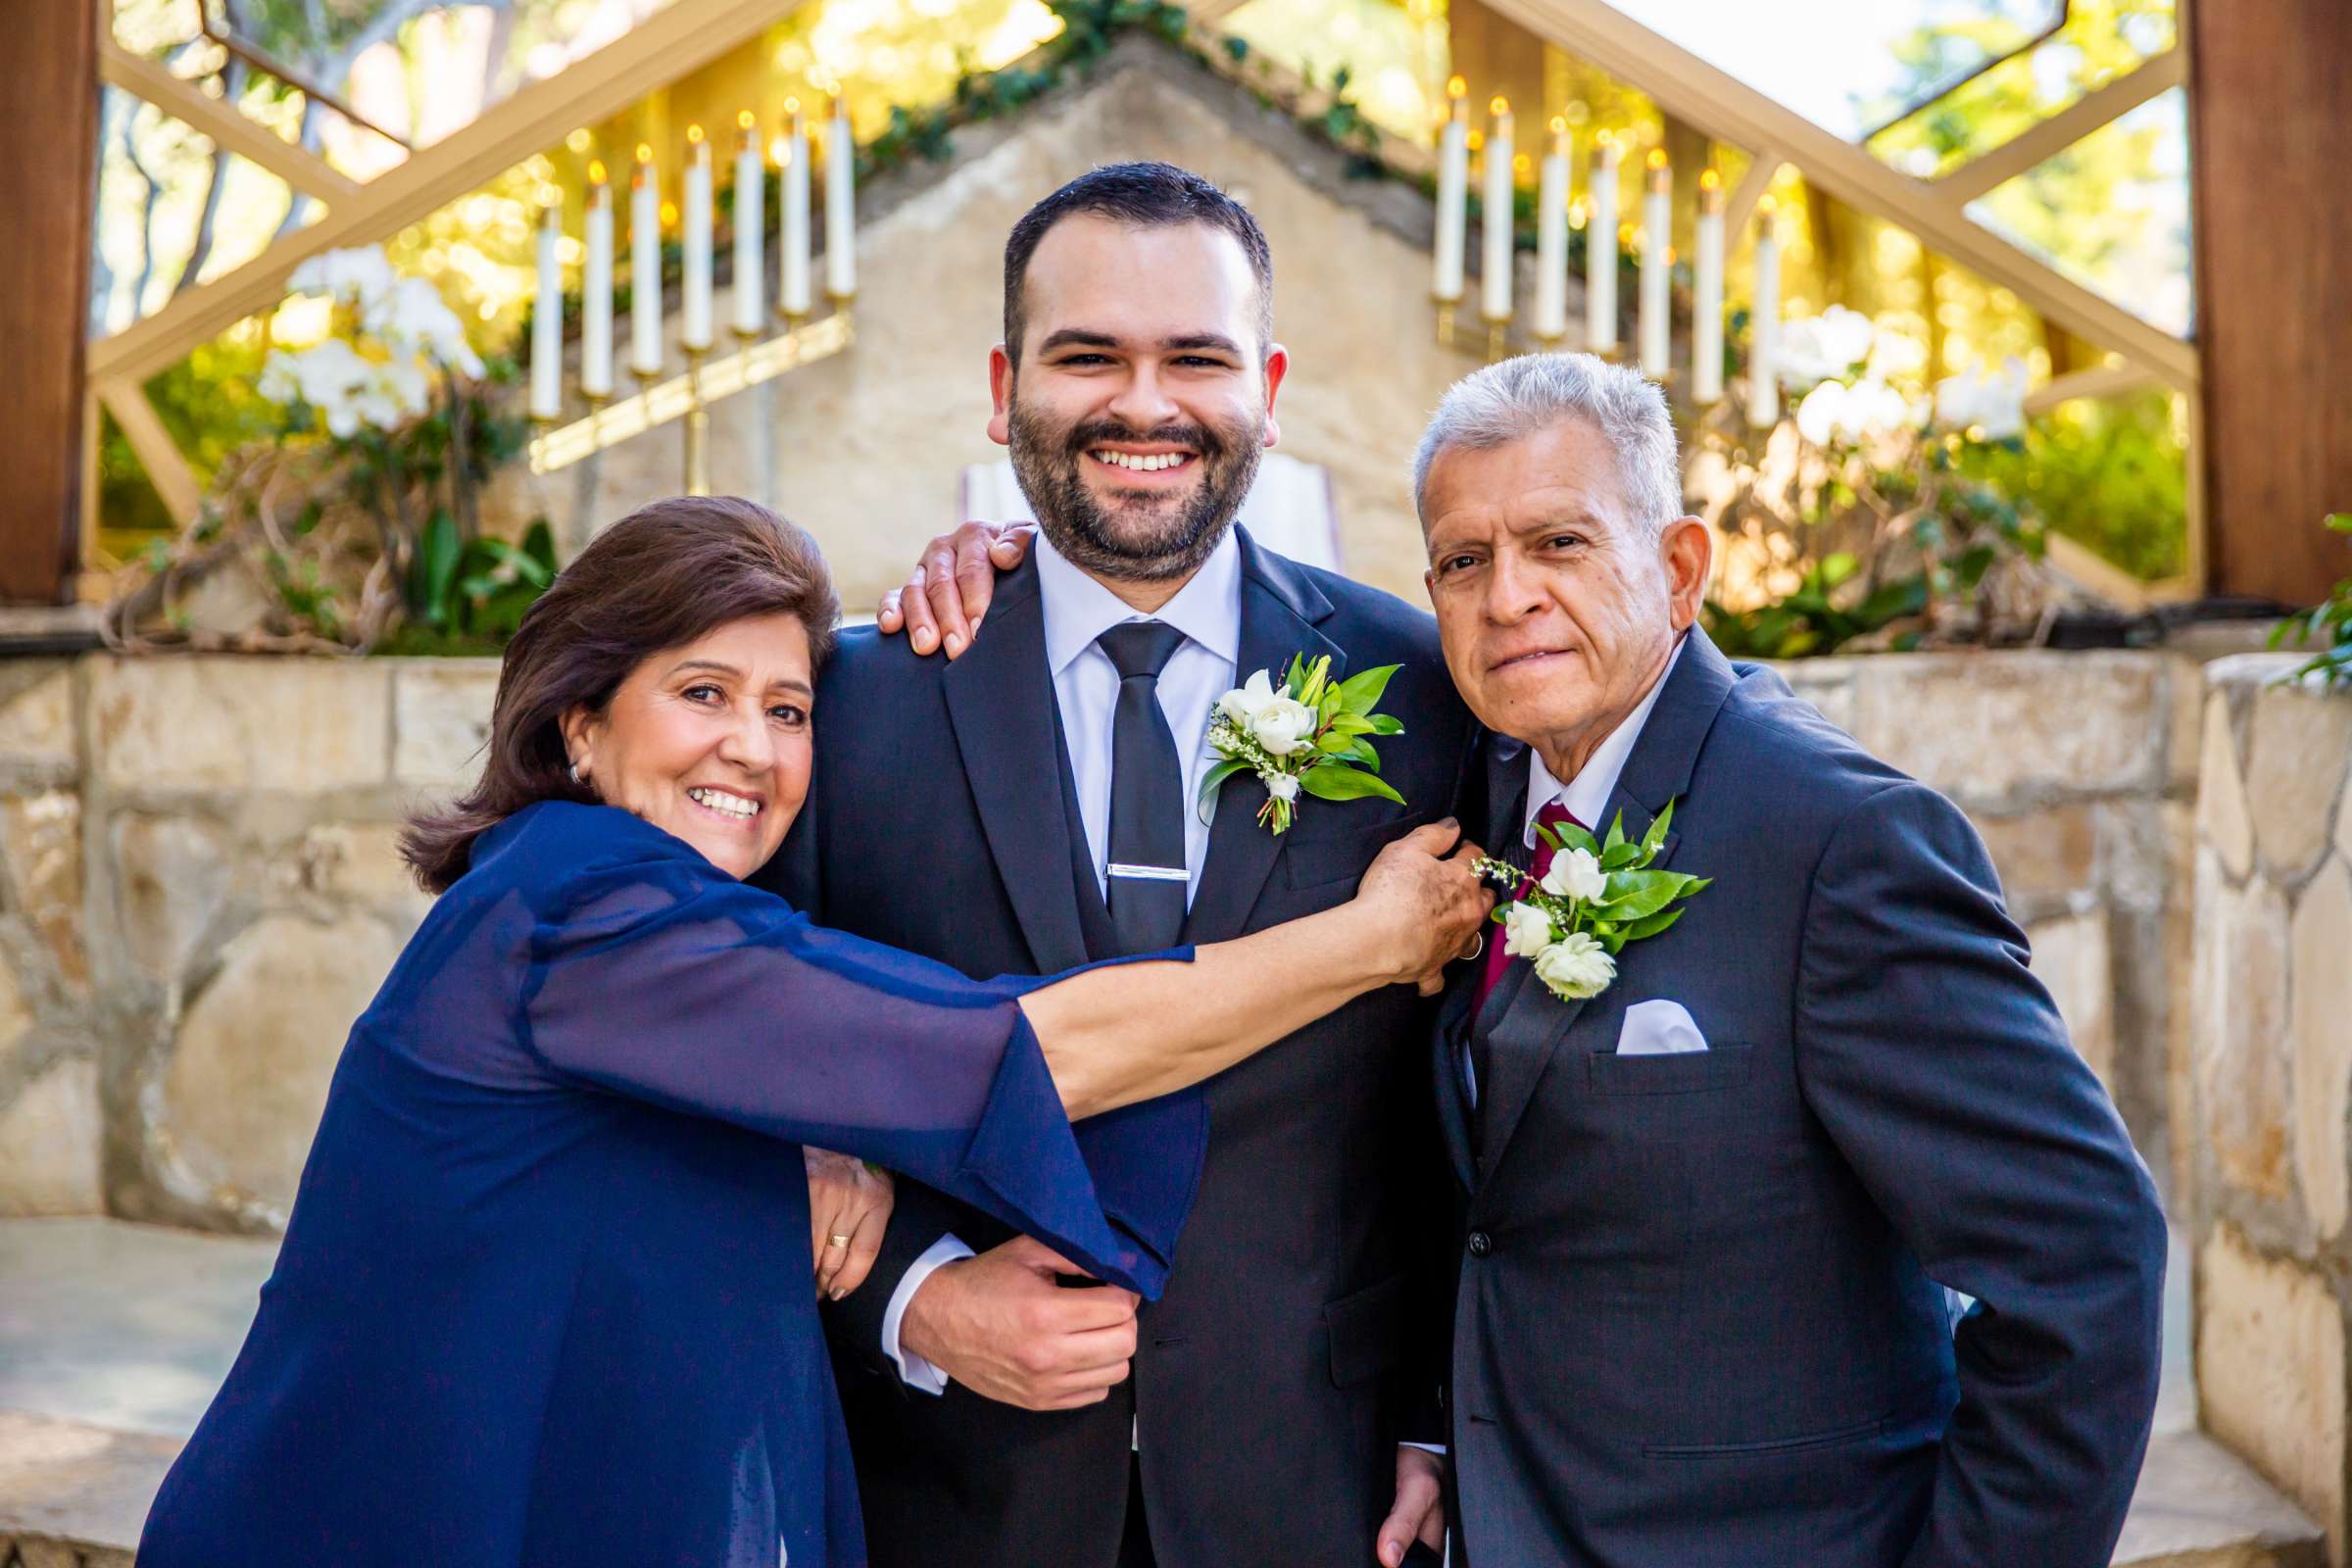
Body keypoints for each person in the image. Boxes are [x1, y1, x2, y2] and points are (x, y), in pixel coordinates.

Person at [914, 350, 2171, 1567]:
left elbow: (2086, 1269)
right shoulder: (1476, 783)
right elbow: (1472, 1197)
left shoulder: (1841, 841)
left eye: (1559, 543)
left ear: (1680, 568)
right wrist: (1007, 567)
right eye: (1464, 560)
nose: (1506, 596)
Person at [134, 495, 1490, 1568]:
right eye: (701, 692)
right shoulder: (582, 912)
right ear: (581, 722)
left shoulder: (642, 913)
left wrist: (840, 1218)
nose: (755, 749)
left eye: (787, 711)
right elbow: (1018, 1052)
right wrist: (1372, 942)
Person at [760, 163, 1468, 1568]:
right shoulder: (850, 708)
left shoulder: (1424, 692)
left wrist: (1442, 1420)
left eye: (1194, 359)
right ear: (1005, 383)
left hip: (1317, 1499)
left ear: (1264, 386)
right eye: (1089, 356)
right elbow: (750, 1087)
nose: (1143, 405)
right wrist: (917, 1303)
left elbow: (1467, 1103)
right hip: (940, 1496)